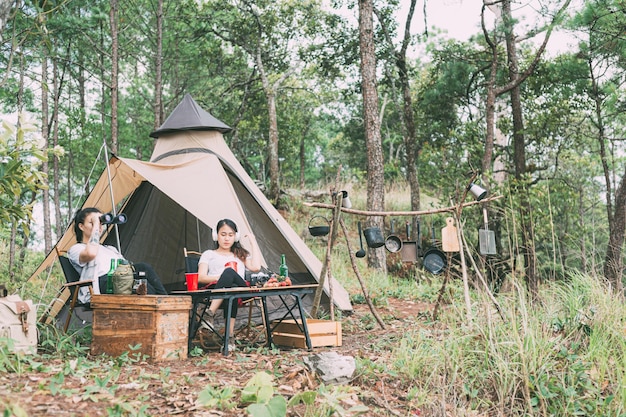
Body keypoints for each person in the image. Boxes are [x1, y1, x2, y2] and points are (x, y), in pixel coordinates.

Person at [67, 207, 167, 303]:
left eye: (101, 223)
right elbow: (91, 253)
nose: (99, 226)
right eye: (92, 222)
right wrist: (96, 226)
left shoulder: (109, 248)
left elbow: (127, 268)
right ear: (81, 226)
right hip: (102, 283)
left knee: (144, 268)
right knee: (145, 287)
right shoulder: (77, 248)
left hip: (122, 278)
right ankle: (164, 308)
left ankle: (167, 301)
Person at [197, 218, 261, 336]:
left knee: (230, 273)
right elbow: (200, 278)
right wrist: (222, 279)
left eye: (231, 235)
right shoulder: (208, 254)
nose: (227, 238)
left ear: (236, 237)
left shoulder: (240, 254)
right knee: (231, 287)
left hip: (242, 291)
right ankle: (229, 338)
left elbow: (256, 267)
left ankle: (210, 313)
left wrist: (253, 243)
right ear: (216, 236)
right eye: (223, 234)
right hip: (217, 291)